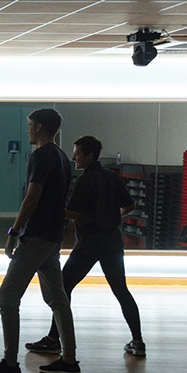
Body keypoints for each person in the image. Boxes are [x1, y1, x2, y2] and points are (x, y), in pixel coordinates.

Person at [0, 109, 78, 373]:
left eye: (30, 126)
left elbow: (33, 197)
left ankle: (10, 364)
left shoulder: (40, 156)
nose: (28, 131)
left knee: (7, 297)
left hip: (35, 237)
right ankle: (69, 359)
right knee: (57, 298)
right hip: (52, 237)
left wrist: (14, 230)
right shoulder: (62, 157)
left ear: (40, 127)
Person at [25, 135, 145, 357]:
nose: (73, 158)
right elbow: (129, 205)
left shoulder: (85, 180)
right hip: (112, 243)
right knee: (121, 291)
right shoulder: (111, 178)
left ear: (89, 156)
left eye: (78, 153)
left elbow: (74, 212)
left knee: (62, 288)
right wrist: (111, 215)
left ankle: (53, 339)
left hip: (89, 243)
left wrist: (46, 208)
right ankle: (138, 342)